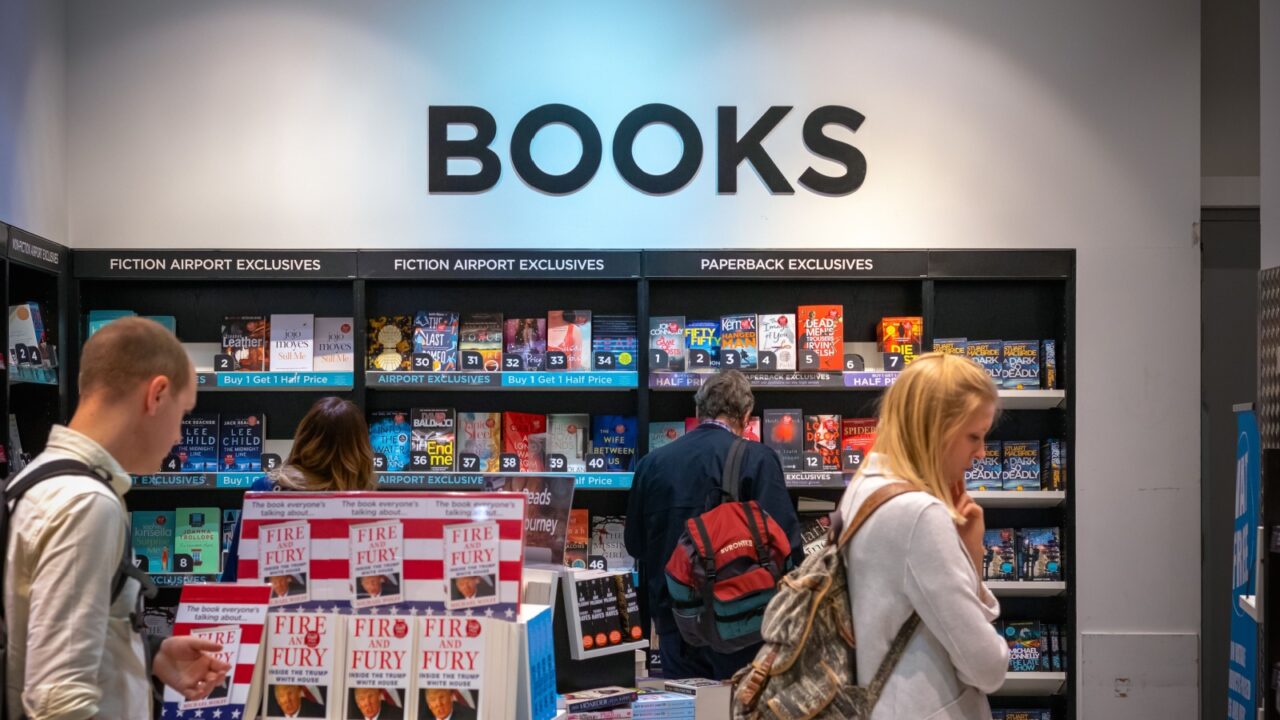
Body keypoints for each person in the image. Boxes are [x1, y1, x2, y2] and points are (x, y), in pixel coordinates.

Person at [4, 317, 232, 719]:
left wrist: (151, 655)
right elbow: (59, 699)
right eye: (182, 414)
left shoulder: (37, 480)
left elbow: (59, 631)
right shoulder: (85, 503)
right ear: (156, 395)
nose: (179, 437)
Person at [837, 352, 1010, 717]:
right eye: (973, 436)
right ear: (935, 429)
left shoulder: (866, 486)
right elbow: (987, 667)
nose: (981, 452)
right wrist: (973, 555)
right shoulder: (918, 515)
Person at [624, 370, 799, 681]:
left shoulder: (652, 464)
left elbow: (635, 545)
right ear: (747, 416)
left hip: (675, 624)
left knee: (683, 712)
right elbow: (787, 547)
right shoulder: (758, 460)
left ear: (697, 412)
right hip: (740, 624)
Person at [223, 396, 377, 580]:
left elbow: (235, 573)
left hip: (272, 606)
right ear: (360, 449)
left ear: (304, 437)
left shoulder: (266, 488)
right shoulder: (364, 504)